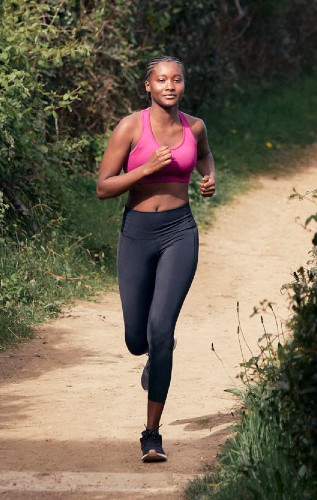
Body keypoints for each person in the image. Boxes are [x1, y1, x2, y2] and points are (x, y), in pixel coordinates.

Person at [96, 55, 216, 462]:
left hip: (179, 232)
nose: (170, 86)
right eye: (161, 80)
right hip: (137, 234)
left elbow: (203, 154)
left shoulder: (193, 127)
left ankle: (152, 434)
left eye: (177, 79)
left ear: (184, 85)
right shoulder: (130, 127)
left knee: (160, 330)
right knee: (137, 339)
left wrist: (208, 175)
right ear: (147, 86)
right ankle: (153, 351)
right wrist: (145, 168)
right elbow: (104, 187)